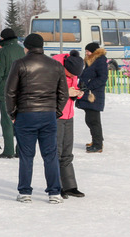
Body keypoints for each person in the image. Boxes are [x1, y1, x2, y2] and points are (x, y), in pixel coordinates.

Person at [5, 33, 68, 203]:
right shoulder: (55, 65)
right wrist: (56, 112)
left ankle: (25, 192)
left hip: (25, 115)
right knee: (50, 155)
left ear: (26, 47)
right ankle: (54, 192)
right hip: (48, 115)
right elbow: (64, 93)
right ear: (42, 47)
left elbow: (10, 92)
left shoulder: (19, 64)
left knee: (26, 155)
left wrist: (12, 113)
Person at [0, 27, 26, 159]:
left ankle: (9, 150)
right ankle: (20, 150)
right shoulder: (23, 50)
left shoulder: (3, 52)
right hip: (22, 91)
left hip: (7, 91)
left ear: (4, 38)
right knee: (20, 121)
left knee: (7, 121)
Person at [53, 53, 86, 198]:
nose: (73, 76)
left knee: (67, 151)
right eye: (71, 74)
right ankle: (56, 186)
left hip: (69, 115)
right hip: (56, 116)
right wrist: (67, 92)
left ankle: (70, 186)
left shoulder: (73, 70)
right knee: (56, 152)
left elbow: (73, 89)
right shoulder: (53, 69)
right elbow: (46, 92)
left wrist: (78, 93)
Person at [77, 42, 108, 153]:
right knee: (89, 119)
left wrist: (89, 86)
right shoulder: (91, 61)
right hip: (88, 93)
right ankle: (96, 140)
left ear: (94, 51)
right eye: (85, 52)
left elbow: (103, 78)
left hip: (94, 95)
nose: (86, 53)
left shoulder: (100, 61)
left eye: (88, 51)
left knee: (93, 120)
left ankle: (98, 144)